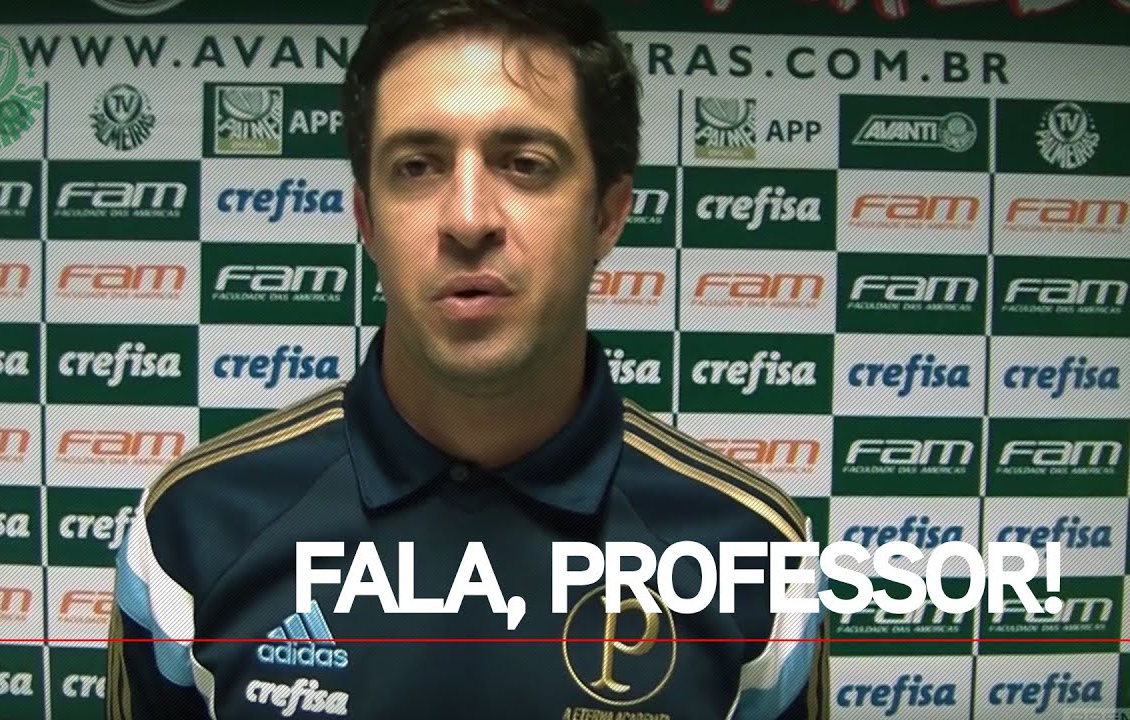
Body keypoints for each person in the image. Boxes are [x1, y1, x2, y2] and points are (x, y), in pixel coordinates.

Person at [106, 0, 828, 717]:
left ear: (607, 215)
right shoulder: (195, 526)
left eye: (525, 164)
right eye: (417, 166)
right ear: (367, 219)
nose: (469, 218)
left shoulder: (755, 551)